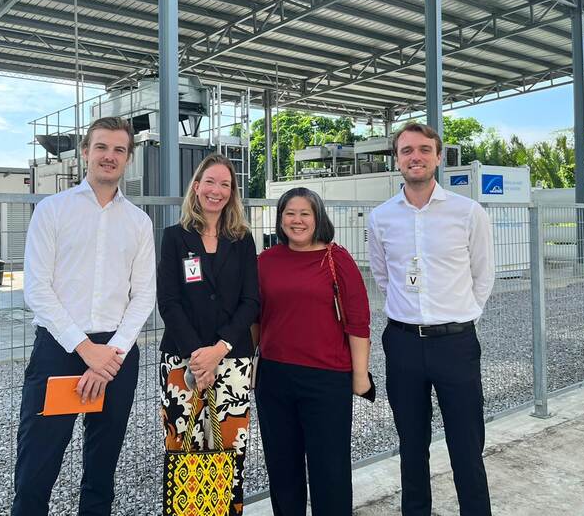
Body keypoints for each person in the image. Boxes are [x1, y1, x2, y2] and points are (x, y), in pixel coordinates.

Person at [12, 117, 156, 516]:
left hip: (116, 354)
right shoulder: (52, 211)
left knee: (101, 468)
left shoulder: (139, 222)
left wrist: (110, 354)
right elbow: (37, 289)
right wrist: (85, 348)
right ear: (85, 152)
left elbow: (144, 295)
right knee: (37, 467)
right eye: (102, 147)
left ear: (128, 158)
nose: (109, 156)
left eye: (119, 150)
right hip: (60, 349)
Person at [367, 122, 495, 516]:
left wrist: (458, 315)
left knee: (466, 445)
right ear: (397, 160)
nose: (415, 157)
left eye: (424, 149)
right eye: (407, 151)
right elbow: (383, 275)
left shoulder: (467, 212)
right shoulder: (380, 217)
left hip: (455, 343)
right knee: (411, 445)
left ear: (438, 157)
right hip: (403, 343)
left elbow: (483, 274)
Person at [256, 187, 371, 516]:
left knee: (330, 469)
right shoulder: (265, 262)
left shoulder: (337, 259)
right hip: (275, 378)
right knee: (282, 468)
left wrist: (360, 376)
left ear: (318, 217)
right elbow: (255, 317)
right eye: (290, 213)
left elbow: (359, 321)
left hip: (327, 379)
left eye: (305, 213)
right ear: (280, 219)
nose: (297, 220)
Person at [157, 153, 259, 516]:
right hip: (182, 361)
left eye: (225, 185)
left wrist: (219, 349)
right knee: (185, 448)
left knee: (227, 451)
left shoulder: (243, 240)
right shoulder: (174, 238)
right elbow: (168, 301)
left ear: (232, 194)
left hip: (232, 361)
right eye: (210, 182)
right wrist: (198, 355)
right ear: (196, 187)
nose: (216, 191)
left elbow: (251, 301)